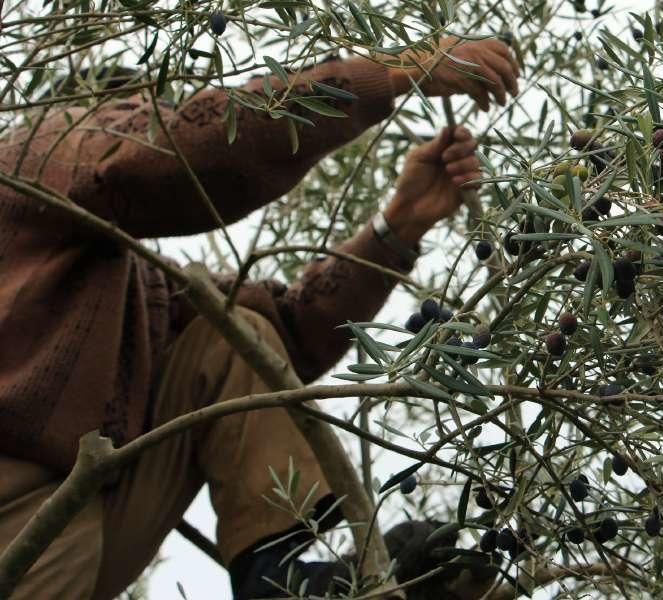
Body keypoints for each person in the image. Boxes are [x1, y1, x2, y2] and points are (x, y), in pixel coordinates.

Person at [0, 35, 519, 599]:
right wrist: (396, 69)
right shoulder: (30, 156)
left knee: (230, 334)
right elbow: (170, 153)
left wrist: (399, 225)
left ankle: (280, 578)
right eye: (128, 112)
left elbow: (283, 332)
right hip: (15, 502)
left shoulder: (130, 287)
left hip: (77, 523)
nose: (139, 120)